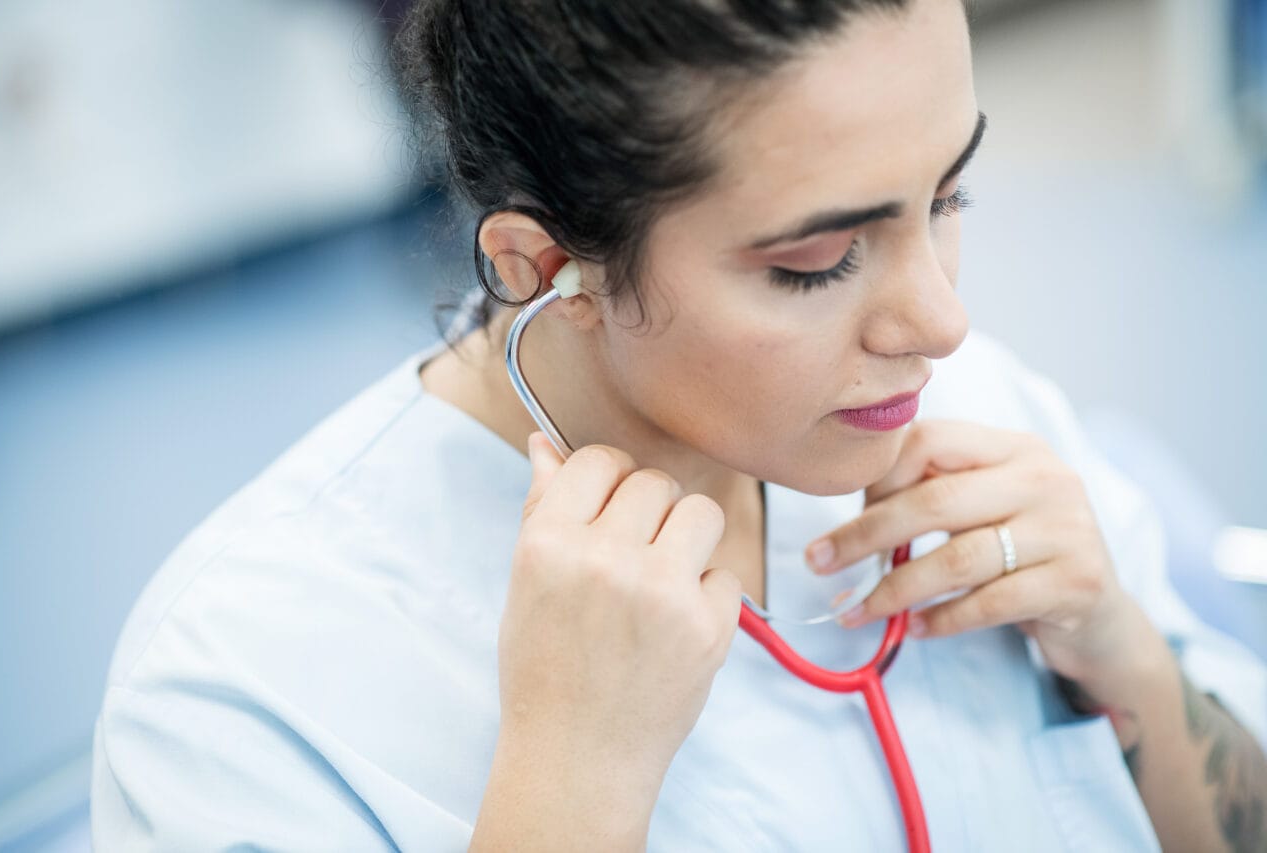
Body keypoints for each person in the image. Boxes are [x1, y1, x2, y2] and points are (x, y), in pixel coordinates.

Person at [90, 0, 1267, 850]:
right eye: (818, 261)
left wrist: (1129, 666)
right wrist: (571, 788)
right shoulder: (247, 687)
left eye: (947, 197)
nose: (942, 322)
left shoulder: (974, 415)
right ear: (544, 265)